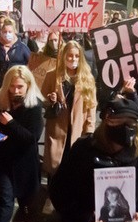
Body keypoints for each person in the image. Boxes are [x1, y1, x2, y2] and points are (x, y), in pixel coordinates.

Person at [0, 65, 43, 222]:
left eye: (19, 86)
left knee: (26, 194)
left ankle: (26, 205)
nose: (15, 90)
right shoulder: (1, 100)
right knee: (6, 199)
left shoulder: (34, 106)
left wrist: (10, 123)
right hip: (3, 160)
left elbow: (31, 138)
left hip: (24, 162)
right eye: (12, 86)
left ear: (28, 85)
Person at [41, 40, 97, 177]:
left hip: (78, 130)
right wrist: (50, 99)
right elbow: (42, 99)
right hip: (57, 130)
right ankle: (52, 195)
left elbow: (91, 105)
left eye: (77, 56)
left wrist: (89, 130)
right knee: (55, 169)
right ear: (64, 56)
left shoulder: (87, 78)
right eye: (70, 55)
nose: (73, 59)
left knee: (73, 169)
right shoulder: (52, 75)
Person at [0, 18, 31, 95]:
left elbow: (31, 64)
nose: (7, 34)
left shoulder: (22, 47)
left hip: (16, 86)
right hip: (0, 86)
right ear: (1, 33)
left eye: (10, 32)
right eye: (5, 32)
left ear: (14, 33)